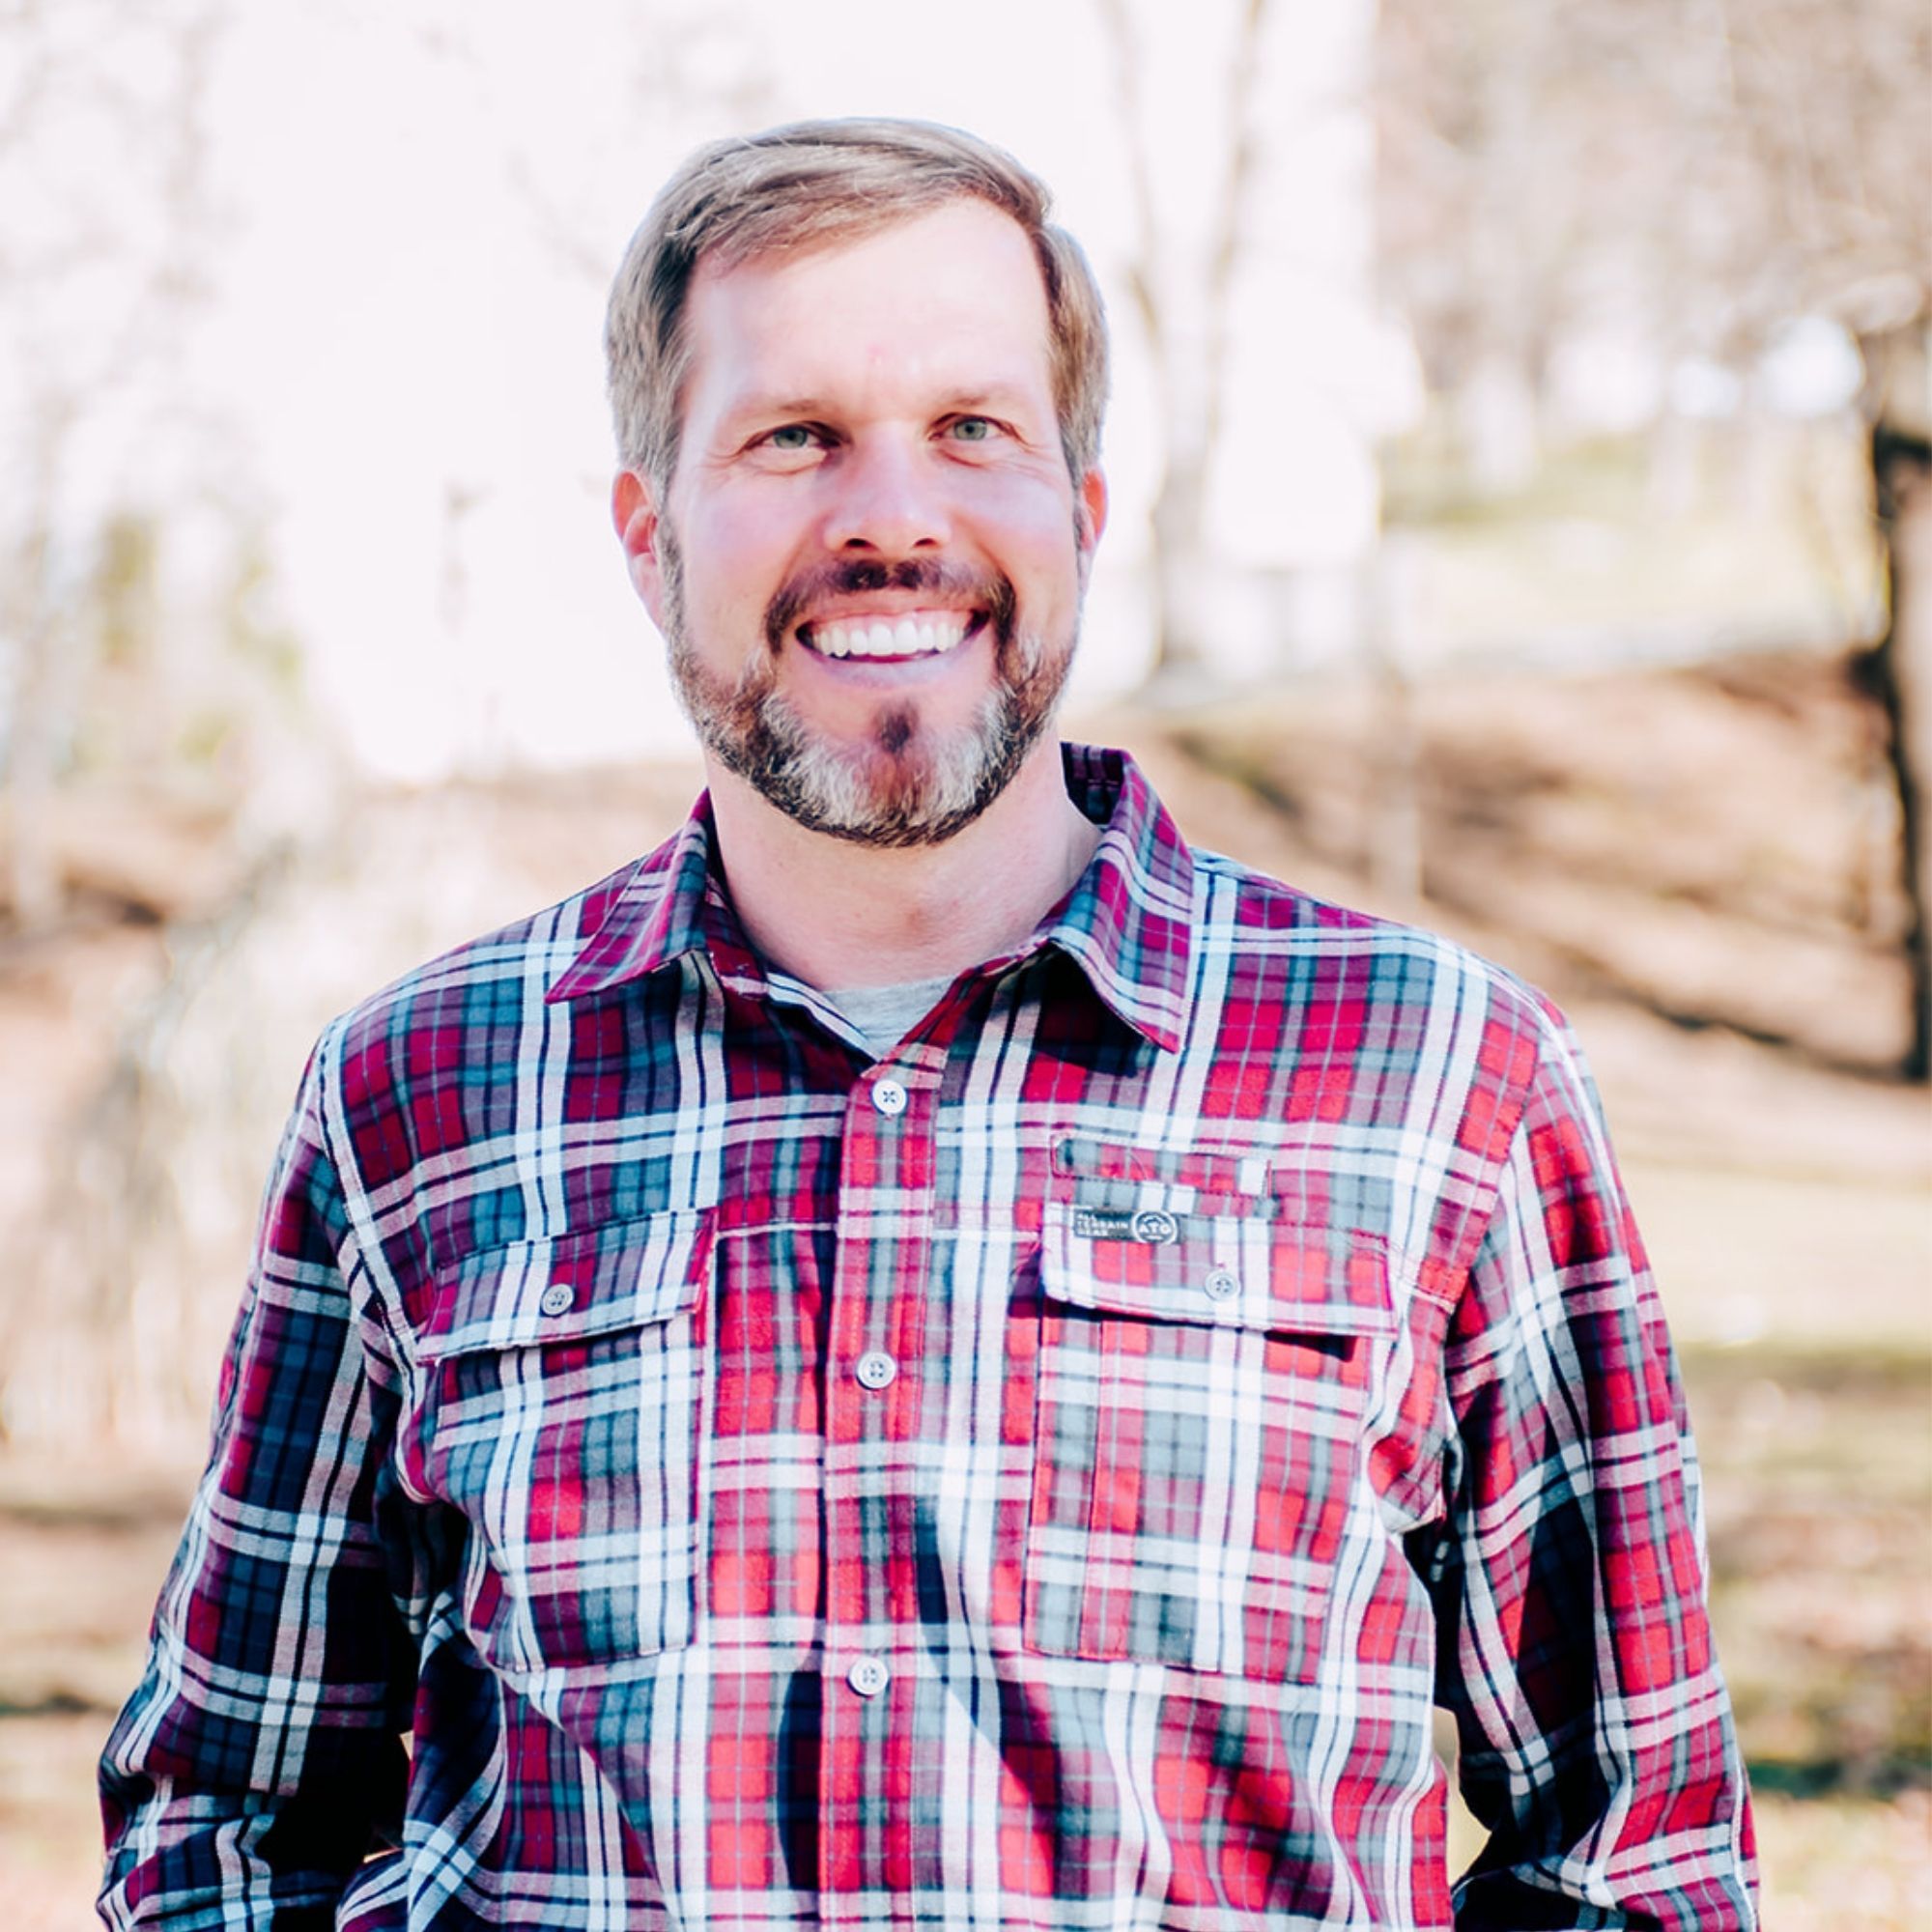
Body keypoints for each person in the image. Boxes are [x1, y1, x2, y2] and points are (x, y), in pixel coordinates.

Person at [99, 119, 1757, 1930]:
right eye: (793, 435)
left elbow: (1635, 1857)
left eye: (974, 430)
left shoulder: (1445, 1082)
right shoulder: (419, 1101)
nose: (892, 518)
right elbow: (228, 1829)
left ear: (1083, 514)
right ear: (650, 537)